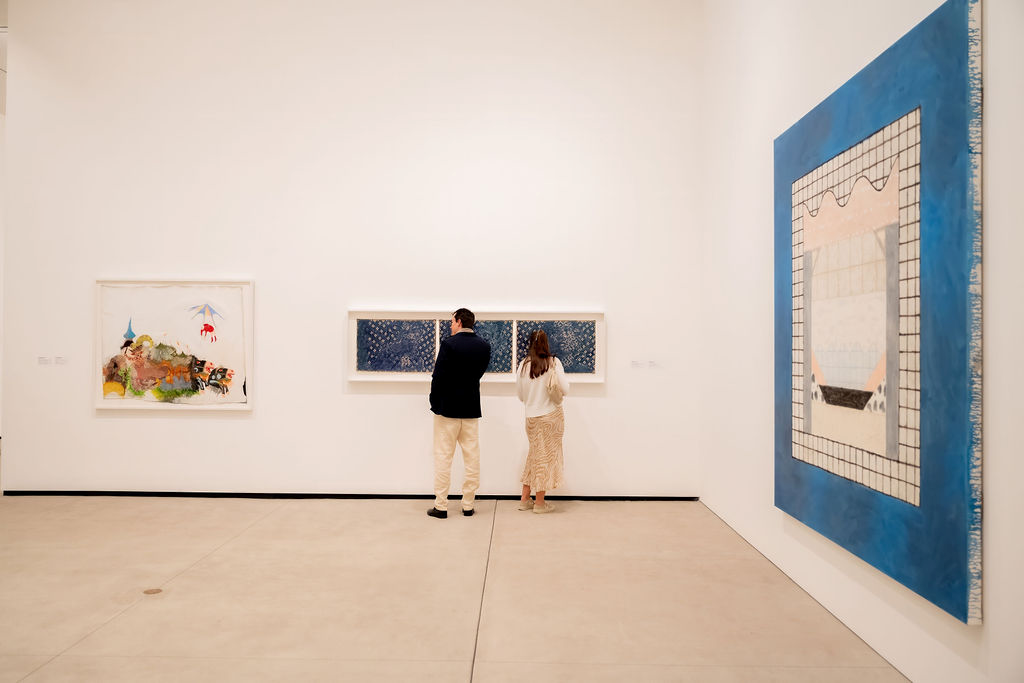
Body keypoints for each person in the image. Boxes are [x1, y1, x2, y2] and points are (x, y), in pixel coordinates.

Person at [427, 308, 491, 519]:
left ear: (460, 321)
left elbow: (438, 377)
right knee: (472, 457)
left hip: (447, 409)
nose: (450, 325)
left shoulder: (448, 344)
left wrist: (434, 401)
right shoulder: (484, 346)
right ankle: (468, 505)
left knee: (444, 457)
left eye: (452, 321)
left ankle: (441, 506)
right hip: (471, 408)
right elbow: (477, 375)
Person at [515, 329, 569, 514]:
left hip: (531, 418)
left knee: (535, 455)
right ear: (547, 343)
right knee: (544, 459)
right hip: (551, 416)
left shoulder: (523, 365)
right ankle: (539, 503)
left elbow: (521, 395)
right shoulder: (553, 362)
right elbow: (566, 389)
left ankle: (524, 498)